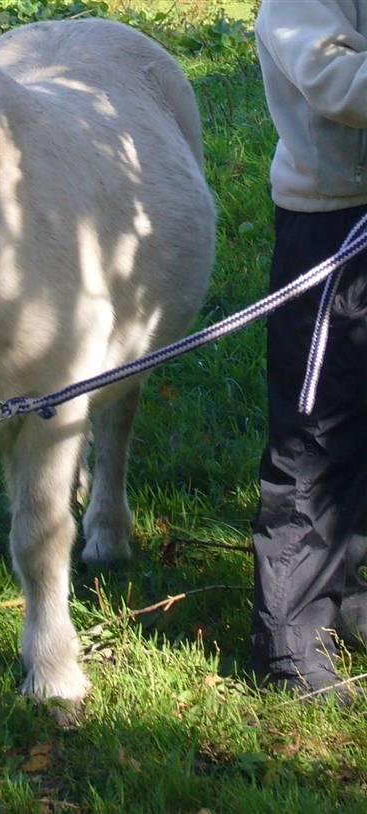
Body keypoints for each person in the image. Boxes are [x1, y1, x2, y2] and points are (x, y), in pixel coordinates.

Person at [252, 0, 367, 702]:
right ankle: (290, 635)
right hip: (331, 223)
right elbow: (334, 79)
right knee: (316, 432)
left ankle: (351, 597)